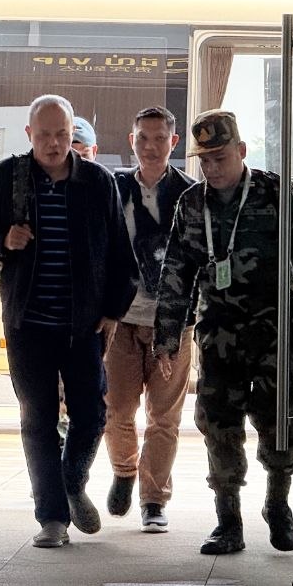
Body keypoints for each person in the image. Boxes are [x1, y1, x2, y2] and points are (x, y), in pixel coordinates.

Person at [0, 94, 139, 548]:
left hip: (83, 325)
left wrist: (113, 310)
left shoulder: (97, 182)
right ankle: (52, 518)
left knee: (92, 414)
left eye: (62, 134)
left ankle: (70, 481)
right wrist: (3, 238)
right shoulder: (6, 177)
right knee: (38, 419)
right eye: (44, 135)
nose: (54, 143)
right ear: (29, 134)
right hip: (28, 324)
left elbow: (120, 252)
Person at [154, 109, 293, 555]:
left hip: (276, 330)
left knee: (281, 420)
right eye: (205, 160)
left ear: (241, 151)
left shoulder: (277, 193)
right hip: (218, 333)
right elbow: (176, 272)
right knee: (218, 423)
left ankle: (278, 505)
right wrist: (167, 337)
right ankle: (228, 520)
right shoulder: (191, 204)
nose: (212, 168)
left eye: (220, 158)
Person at [103, 107, 196, 533]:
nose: (151, 146)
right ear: (131, 140)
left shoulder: (190, 194)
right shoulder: (115, 188)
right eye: (143, 138)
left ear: (173, 142)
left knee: (164, 417)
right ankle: (124, 470)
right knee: (117, 409)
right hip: (121, 320)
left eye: (160, 138)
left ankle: (154, 499)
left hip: (173, 324)